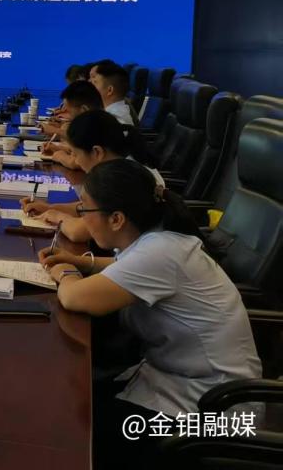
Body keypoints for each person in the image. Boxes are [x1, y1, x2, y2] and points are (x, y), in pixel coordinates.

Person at [38, 159, 260, 461]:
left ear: (116, 219)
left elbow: (75, 297)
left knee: (73, 425)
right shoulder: (159, 240)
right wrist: (80, 262)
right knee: (74, 399)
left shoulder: (160, 254)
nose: (82, 218)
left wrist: (65, 273)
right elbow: (124, 266)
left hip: (212, 415)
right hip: (184, 386)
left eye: (84, 211)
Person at [22, 110, 162, 242]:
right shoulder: (121, 165)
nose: (76, 161)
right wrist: (49, 208)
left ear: (97, 152)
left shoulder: (124, 177)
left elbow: (78, 232)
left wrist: (57, 216)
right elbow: (87, 207)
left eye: (76, 154)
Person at [38, 80, 104, 155]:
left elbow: (79, 160)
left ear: (84, 110)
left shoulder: (102, 129)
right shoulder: (96, 123)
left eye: (68, 112)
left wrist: (60, 156)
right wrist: (58, 149)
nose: (67, 117)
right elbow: (82, 151)